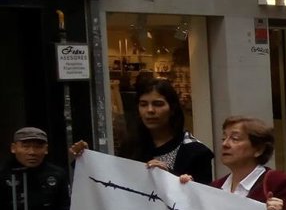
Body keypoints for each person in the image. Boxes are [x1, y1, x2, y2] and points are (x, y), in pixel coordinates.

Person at [72, 78, 214, 182]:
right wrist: (84, 159)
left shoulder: (195, 152)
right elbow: (113, 181)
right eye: (143, 104)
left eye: (158, 104)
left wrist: (170, 177)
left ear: (172, 109)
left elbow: (202, 201)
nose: (150, 110)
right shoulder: (131, 145)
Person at [210, 117, 286, 210]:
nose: (225, 144)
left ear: (259, 149)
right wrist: (189, 189)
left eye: (235, 138)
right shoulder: (215, 186)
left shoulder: (277, 182)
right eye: (223, 138)